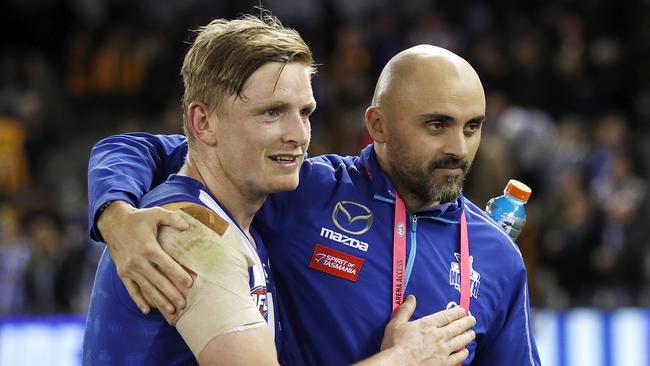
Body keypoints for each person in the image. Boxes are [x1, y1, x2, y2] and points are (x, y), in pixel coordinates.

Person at [88, 45, 536, 364]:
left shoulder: (497, 256)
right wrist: (115, 213)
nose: (458, 147)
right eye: (436, 125)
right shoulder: (299, 188)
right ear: (377, 125)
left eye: (473, 127)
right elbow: (146, 150)